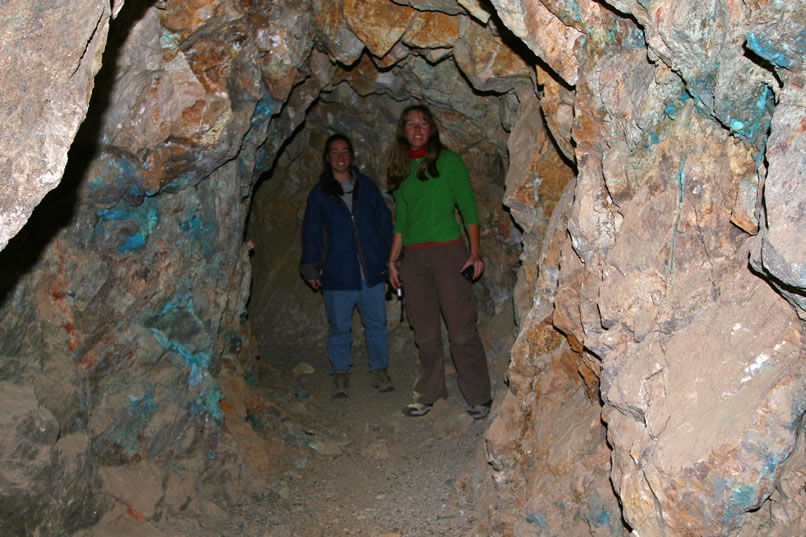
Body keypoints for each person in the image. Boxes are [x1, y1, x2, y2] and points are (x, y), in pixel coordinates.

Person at [385, 104, 492, 419]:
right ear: (403, 132)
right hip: (414, 259)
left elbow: (468, 208)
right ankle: (428, 393)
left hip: (449, 252)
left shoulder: (449, 162)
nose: (417, 129)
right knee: (425, 331)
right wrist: (393, 260)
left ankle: (478, 396)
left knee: (460, 327)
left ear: (431, 129)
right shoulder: (402, 167)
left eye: (422, 123)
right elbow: (401, 219)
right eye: (410, 124)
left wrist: (474, 252)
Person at [300, 133, 394, 398]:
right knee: (340, 327)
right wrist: (311, 266)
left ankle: (380, 369)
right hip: (337, 271)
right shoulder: (320, 194)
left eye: (345, 152)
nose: (340, 157)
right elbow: (311, 231)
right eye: (334, 152)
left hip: (371, 271)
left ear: (351, 156)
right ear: (328, 158)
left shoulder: (367, 187)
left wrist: (391, 260)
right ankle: (340, 372)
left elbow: (384, 224)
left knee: (376, 324)